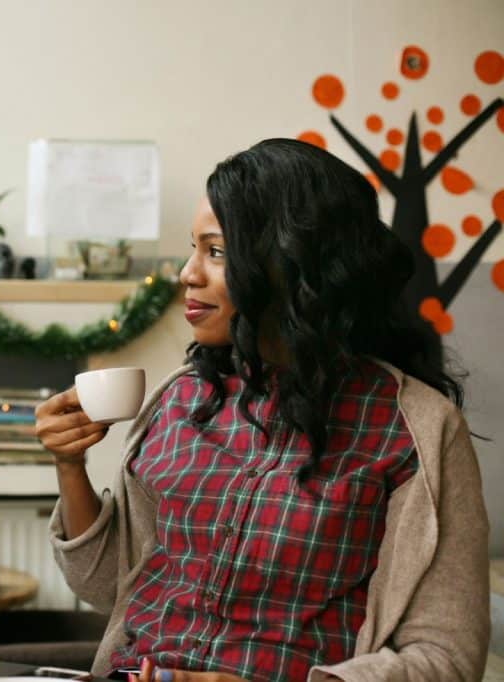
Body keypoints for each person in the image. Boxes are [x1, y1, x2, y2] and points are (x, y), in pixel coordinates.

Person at [35, 138, 489, 682]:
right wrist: (69, 466)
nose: (187, 274)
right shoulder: (181, 400)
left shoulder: (417, 428)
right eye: (193, 249)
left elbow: (447, 658)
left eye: (216, 251)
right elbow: (111, 586)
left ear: (291, 262)